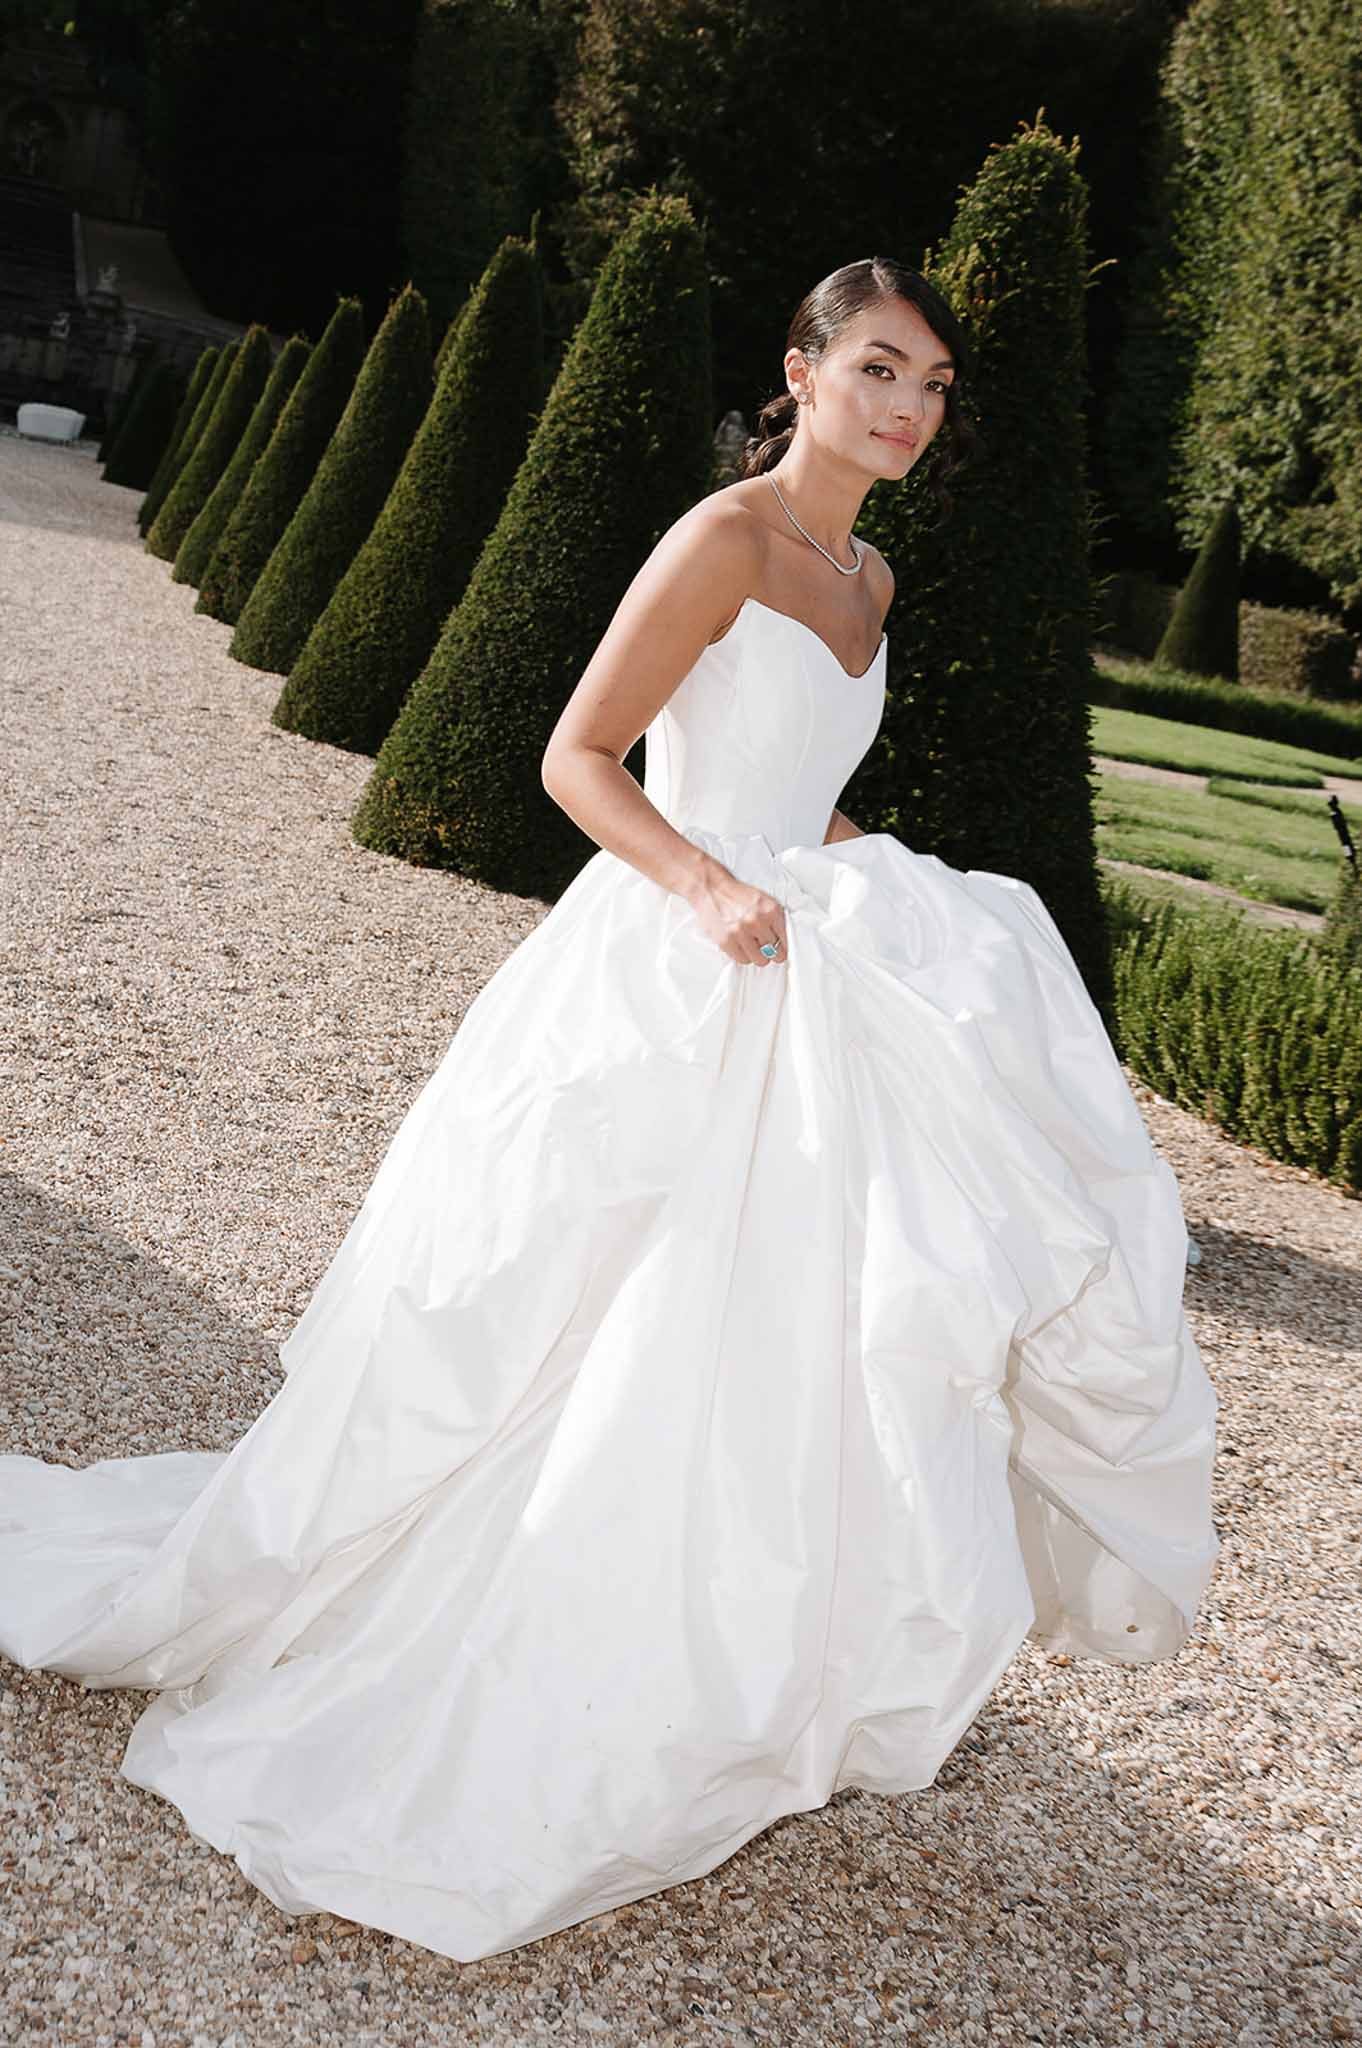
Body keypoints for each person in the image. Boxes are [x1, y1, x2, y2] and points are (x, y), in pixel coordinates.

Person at [0, 256, 1220, 1966]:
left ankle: (697, 1636)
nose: (905, 408)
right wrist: (706, 890)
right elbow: (579, 756)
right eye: (876, 368)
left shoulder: (868, 570)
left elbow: (801, 790)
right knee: (559, 1308)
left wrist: (893, 894)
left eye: (931, 386)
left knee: (771, 1328)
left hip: (802, 965)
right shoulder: (722, 536)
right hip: (667, 966)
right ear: (795, 371)